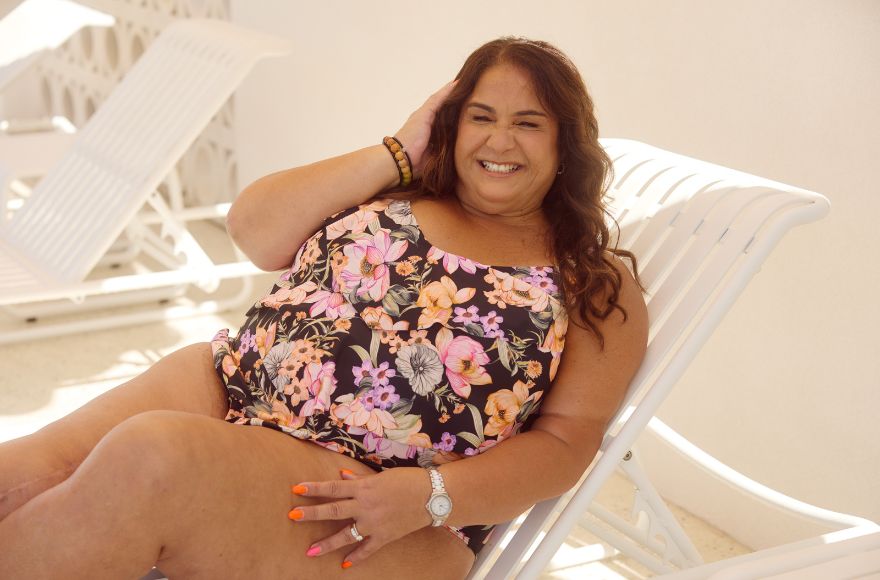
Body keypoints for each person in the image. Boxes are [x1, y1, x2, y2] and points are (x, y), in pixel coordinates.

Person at [0, 37, 647, 579]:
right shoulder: (393, 191)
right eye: (480, 116)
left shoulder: (589, 279)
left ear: (568, 143)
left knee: (151, 459)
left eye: (528, 122)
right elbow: (254, 231)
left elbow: (566, 443)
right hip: (224, 384)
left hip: (370, 491)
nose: (499, 138)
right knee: (16, 478)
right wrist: (399, 149)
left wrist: (431, 497)